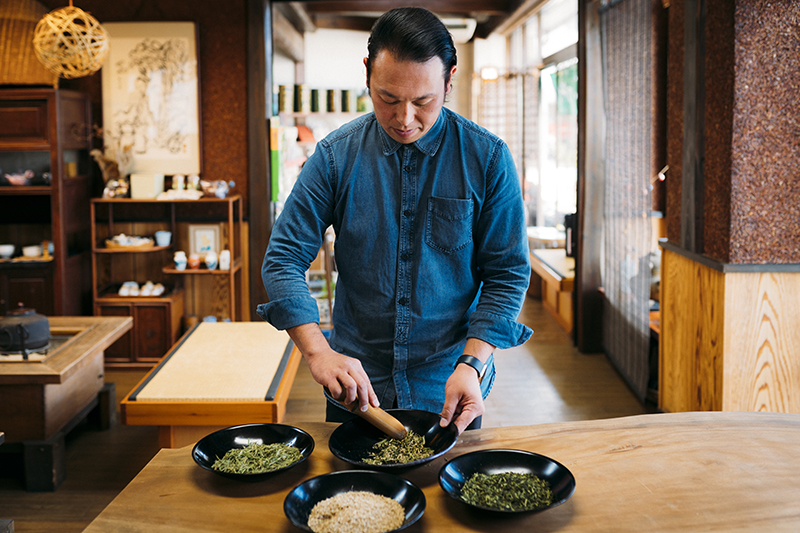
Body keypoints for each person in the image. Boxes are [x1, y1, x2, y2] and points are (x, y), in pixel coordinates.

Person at [257, 7, 532, 434]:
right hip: (356, 386)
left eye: (423, 101)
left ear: (449, 78)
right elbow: (283, 258)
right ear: (367, 73)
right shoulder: (335, 157)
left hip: (451, 382)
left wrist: (474, 363)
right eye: (388, 98)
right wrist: (317, 352)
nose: (405, 119)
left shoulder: (487, 159)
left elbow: (507, 273)